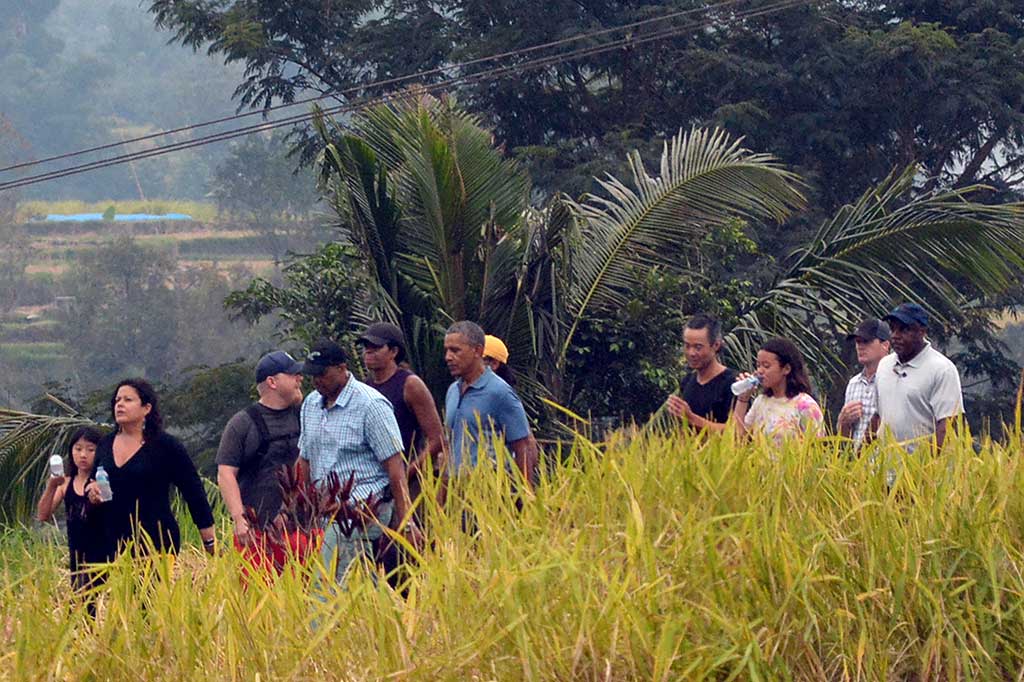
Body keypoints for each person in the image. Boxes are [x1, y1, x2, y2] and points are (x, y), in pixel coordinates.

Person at [298, 339, 421, 584]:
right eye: (312, 375)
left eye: (322, 374)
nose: (316, 381)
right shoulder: (310, 404)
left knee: (328, 587)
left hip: (363, 512)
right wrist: (295, 506)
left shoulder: (371, 405)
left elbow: (395, 468)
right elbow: (305, 459)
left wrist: (407, 522)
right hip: (324, 513)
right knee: (358, 584)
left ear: (342, 368)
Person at [89, 379, 215, 556]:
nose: (120, 405)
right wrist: (92, 490)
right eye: (117, 400)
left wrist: (209, 540)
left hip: (157, 541)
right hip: (112, 542)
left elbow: (193, 492)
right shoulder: (104, 444)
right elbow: (91, 481)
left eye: (128, 400)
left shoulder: (166, 446)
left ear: (146, 408)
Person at [216, 351, 307, 574]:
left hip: (302, 529)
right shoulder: (242, 423)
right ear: (272, 382)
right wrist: (239, 519)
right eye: (292, 374)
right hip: (256, 533)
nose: (300, 379)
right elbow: (226, 473)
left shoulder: (306, 414)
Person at [444, 321, 537, 486]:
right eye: (447, 350)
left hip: (491, 491)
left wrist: (525, 495)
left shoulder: (500, 393)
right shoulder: (453, 391)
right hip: (457, 492)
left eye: (455, 350)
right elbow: (451, 447)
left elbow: (523, 448)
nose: (448, 357)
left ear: (477, 351)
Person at [37, 426, 113, 611]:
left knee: (93, 604)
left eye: (90, 449)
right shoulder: (66, 484)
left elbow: (113, 506)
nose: (83, 455)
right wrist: (52, 486)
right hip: (78, 555)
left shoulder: (103, 480)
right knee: (81, 608)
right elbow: (43, 515)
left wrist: (100, 494)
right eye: (78, 449)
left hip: (104, 553)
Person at [872, 303, 963, 450]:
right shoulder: (884, 365)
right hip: (884, 462)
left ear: (922, 331)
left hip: (922, 462)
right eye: (892, 329)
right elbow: (877, 417)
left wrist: (927, 463)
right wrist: (858, 457)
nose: (895, 336)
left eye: (904, 330)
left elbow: (947, 426)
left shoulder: (942, 369)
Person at [359, 322, 446, 476]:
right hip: (375, 479)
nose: (368, 352)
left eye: (376, 347)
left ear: (394, 351)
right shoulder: (365, 387)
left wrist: (406, 474)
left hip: (408, 477)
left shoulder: (410, 384)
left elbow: (437, 440)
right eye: (366, 347)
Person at [733, 337, 824, 444]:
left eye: (766, 366)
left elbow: (819, 446)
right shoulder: (761, 401)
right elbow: (737, 439)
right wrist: (742, 399)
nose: (760, 371)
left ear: (786, 369)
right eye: (758, 366)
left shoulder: (805, 405)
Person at [665, 314, 737, 432]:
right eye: (687, 346)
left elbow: (738, 430)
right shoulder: (687, 381)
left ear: (716, 345)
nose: (691, 353)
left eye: (698, 347)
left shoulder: (733, 383)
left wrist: (692, 418)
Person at [837, 319, 891, 447]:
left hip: (888, 457)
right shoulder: (853, 383)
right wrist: (843, 421)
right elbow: (844, 439)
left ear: (885, 345)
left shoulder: (894, 380)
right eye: (858, 342)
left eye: (866, 341)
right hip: (856, 457)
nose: (860, 346)